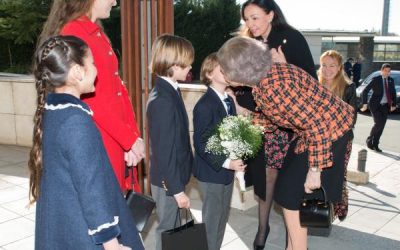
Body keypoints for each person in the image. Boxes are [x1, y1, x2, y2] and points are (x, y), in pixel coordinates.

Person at [217, 36, 354, 250]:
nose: (223, 74)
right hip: (314, 132)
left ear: (240, 71)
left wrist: (315, 170)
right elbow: (279, 115)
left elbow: (316, 125)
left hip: (330, 132)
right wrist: (249, 122)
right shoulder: (265, 80)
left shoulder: (272, 87)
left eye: (225, 70)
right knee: (287, 193)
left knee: (290, 196)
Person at [29, 35, 144, 250]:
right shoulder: (76, 121)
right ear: (77, 72)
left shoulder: (52, 112)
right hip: (83, 235)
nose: (96, 69)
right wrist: (112, 245)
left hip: (63, 228)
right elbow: (92, 191)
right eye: (92, 63)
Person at [38, 0, 145, 193]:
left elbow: (117, 92)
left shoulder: (94, 31)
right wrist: (128, 138)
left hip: (113, 136)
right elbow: (91, 99)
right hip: (101, 137)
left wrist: (132, 138)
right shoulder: (74, 32)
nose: (114, 2)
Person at [237, 1, 317, 248]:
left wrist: (285, 68)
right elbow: (250, 85)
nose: (251, 25)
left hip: (291, 129)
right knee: (265, 183)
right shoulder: (254, 43)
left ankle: (290, 243)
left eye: (255, 18)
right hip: (265, 125)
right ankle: (263, 230)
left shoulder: (290, 39)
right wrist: (238, 97)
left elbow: (310, 87)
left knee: (288, 192)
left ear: (271, 14)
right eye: (247, 20)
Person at [192, 53, 246, 250]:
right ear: (209, 73)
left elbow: (231, 134)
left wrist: (237, 154)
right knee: (212, 222)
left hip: (226, 172)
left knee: (222, 219)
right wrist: (227, 162)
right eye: (221, 67)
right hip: (211, 172)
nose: (226, 70)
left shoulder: (228, 101)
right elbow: (202, 143)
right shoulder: (205, 104)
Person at [146, 34, 194, 250]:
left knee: (172, 230)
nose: (190, 67)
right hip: (167, 182)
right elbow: (164, 151)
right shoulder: (163, 100)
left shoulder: (170, 89)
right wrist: (176, 190)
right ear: (172, 64)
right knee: (167, 231)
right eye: (186, 63)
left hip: (172, 176)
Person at [318, 50, 357, 221]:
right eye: (324, 65)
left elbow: (352, 119)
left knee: (337, 174)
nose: (327, 69)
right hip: (318, 139)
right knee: (318, 174)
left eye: (332, 65)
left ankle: (337, 208)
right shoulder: (315, 84)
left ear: (340, 67)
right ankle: (319, 208)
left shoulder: (348, 87)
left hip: (341, 141)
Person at [361, 63, 397, 152]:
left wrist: (393, 105)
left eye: (389, 71)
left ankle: (376, 144)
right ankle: (370, 140)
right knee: (378, 123)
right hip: (375, 105)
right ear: (381, 71)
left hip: (385, 106)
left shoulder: (391, 80)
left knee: (382, 125)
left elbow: (393, 93)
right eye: (385, 71)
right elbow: (365, 91)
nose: (387, 73)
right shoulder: (376, 80)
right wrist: (364, 103)